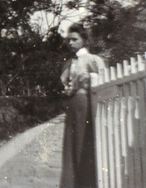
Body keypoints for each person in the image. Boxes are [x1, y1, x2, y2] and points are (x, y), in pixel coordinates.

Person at [59, 23, 106, 188]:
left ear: (84, 40)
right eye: (68, 40)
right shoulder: (68, 62)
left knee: (83, 145)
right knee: (71, 146)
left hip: (85, 105)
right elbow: (66, 84)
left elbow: (103, 80)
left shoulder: (92, 59)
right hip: (72, 106)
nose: (70, 43)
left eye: (74, 39)